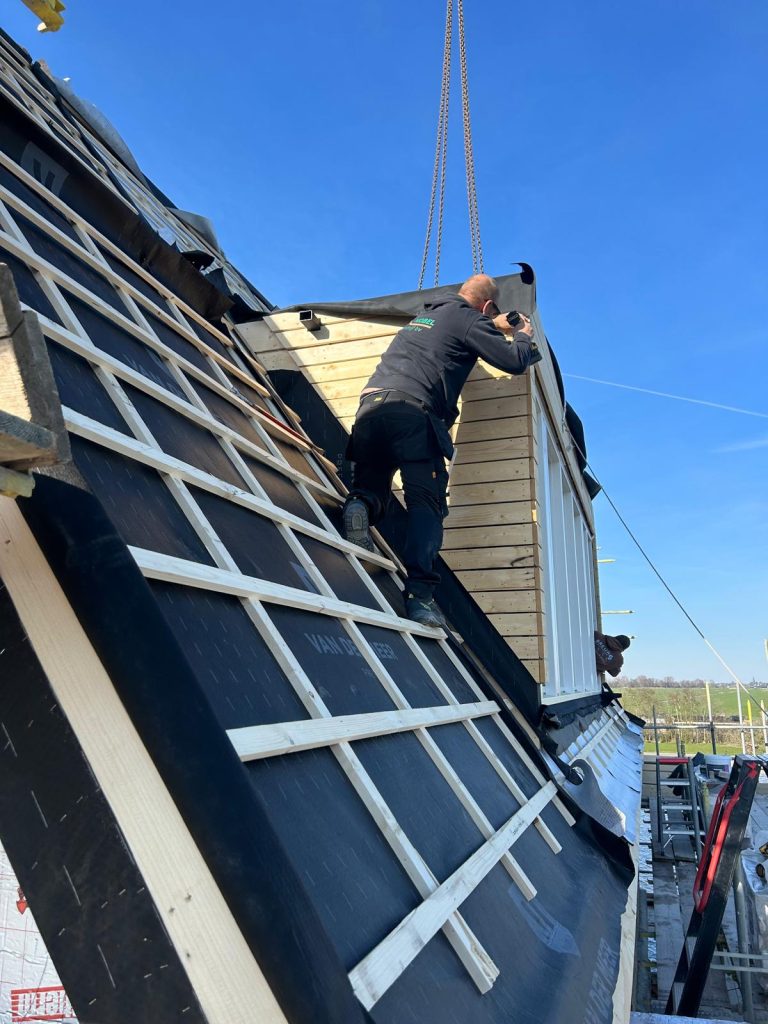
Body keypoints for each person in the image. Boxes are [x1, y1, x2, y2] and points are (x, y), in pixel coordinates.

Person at [341, 273, 539, 627]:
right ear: (487, 306)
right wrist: (523, 335)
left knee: (372, 487)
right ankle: (419, 597)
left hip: (370, 408)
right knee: (426, 504)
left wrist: (490, 324)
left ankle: (360, 505)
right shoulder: (468, 319)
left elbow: (457, 329)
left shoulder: (426, 315)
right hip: (414, 414)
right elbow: (514, 362)